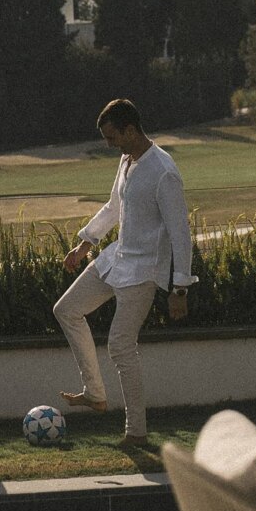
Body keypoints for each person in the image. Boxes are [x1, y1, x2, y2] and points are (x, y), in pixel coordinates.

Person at [55, 98, 195, 449]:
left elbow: (181, 234)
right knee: (66, 310)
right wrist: (86, 242)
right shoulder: (126, 160)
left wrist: (179, 290)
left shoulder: (164, 171)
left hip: (144, 270)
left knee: (120, 345)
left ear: (130, 130)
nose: (108, 144)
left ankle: (137, 432)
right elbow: (114, 206)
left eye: (112, 136)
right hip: (116, 258)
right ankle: (95, 393)